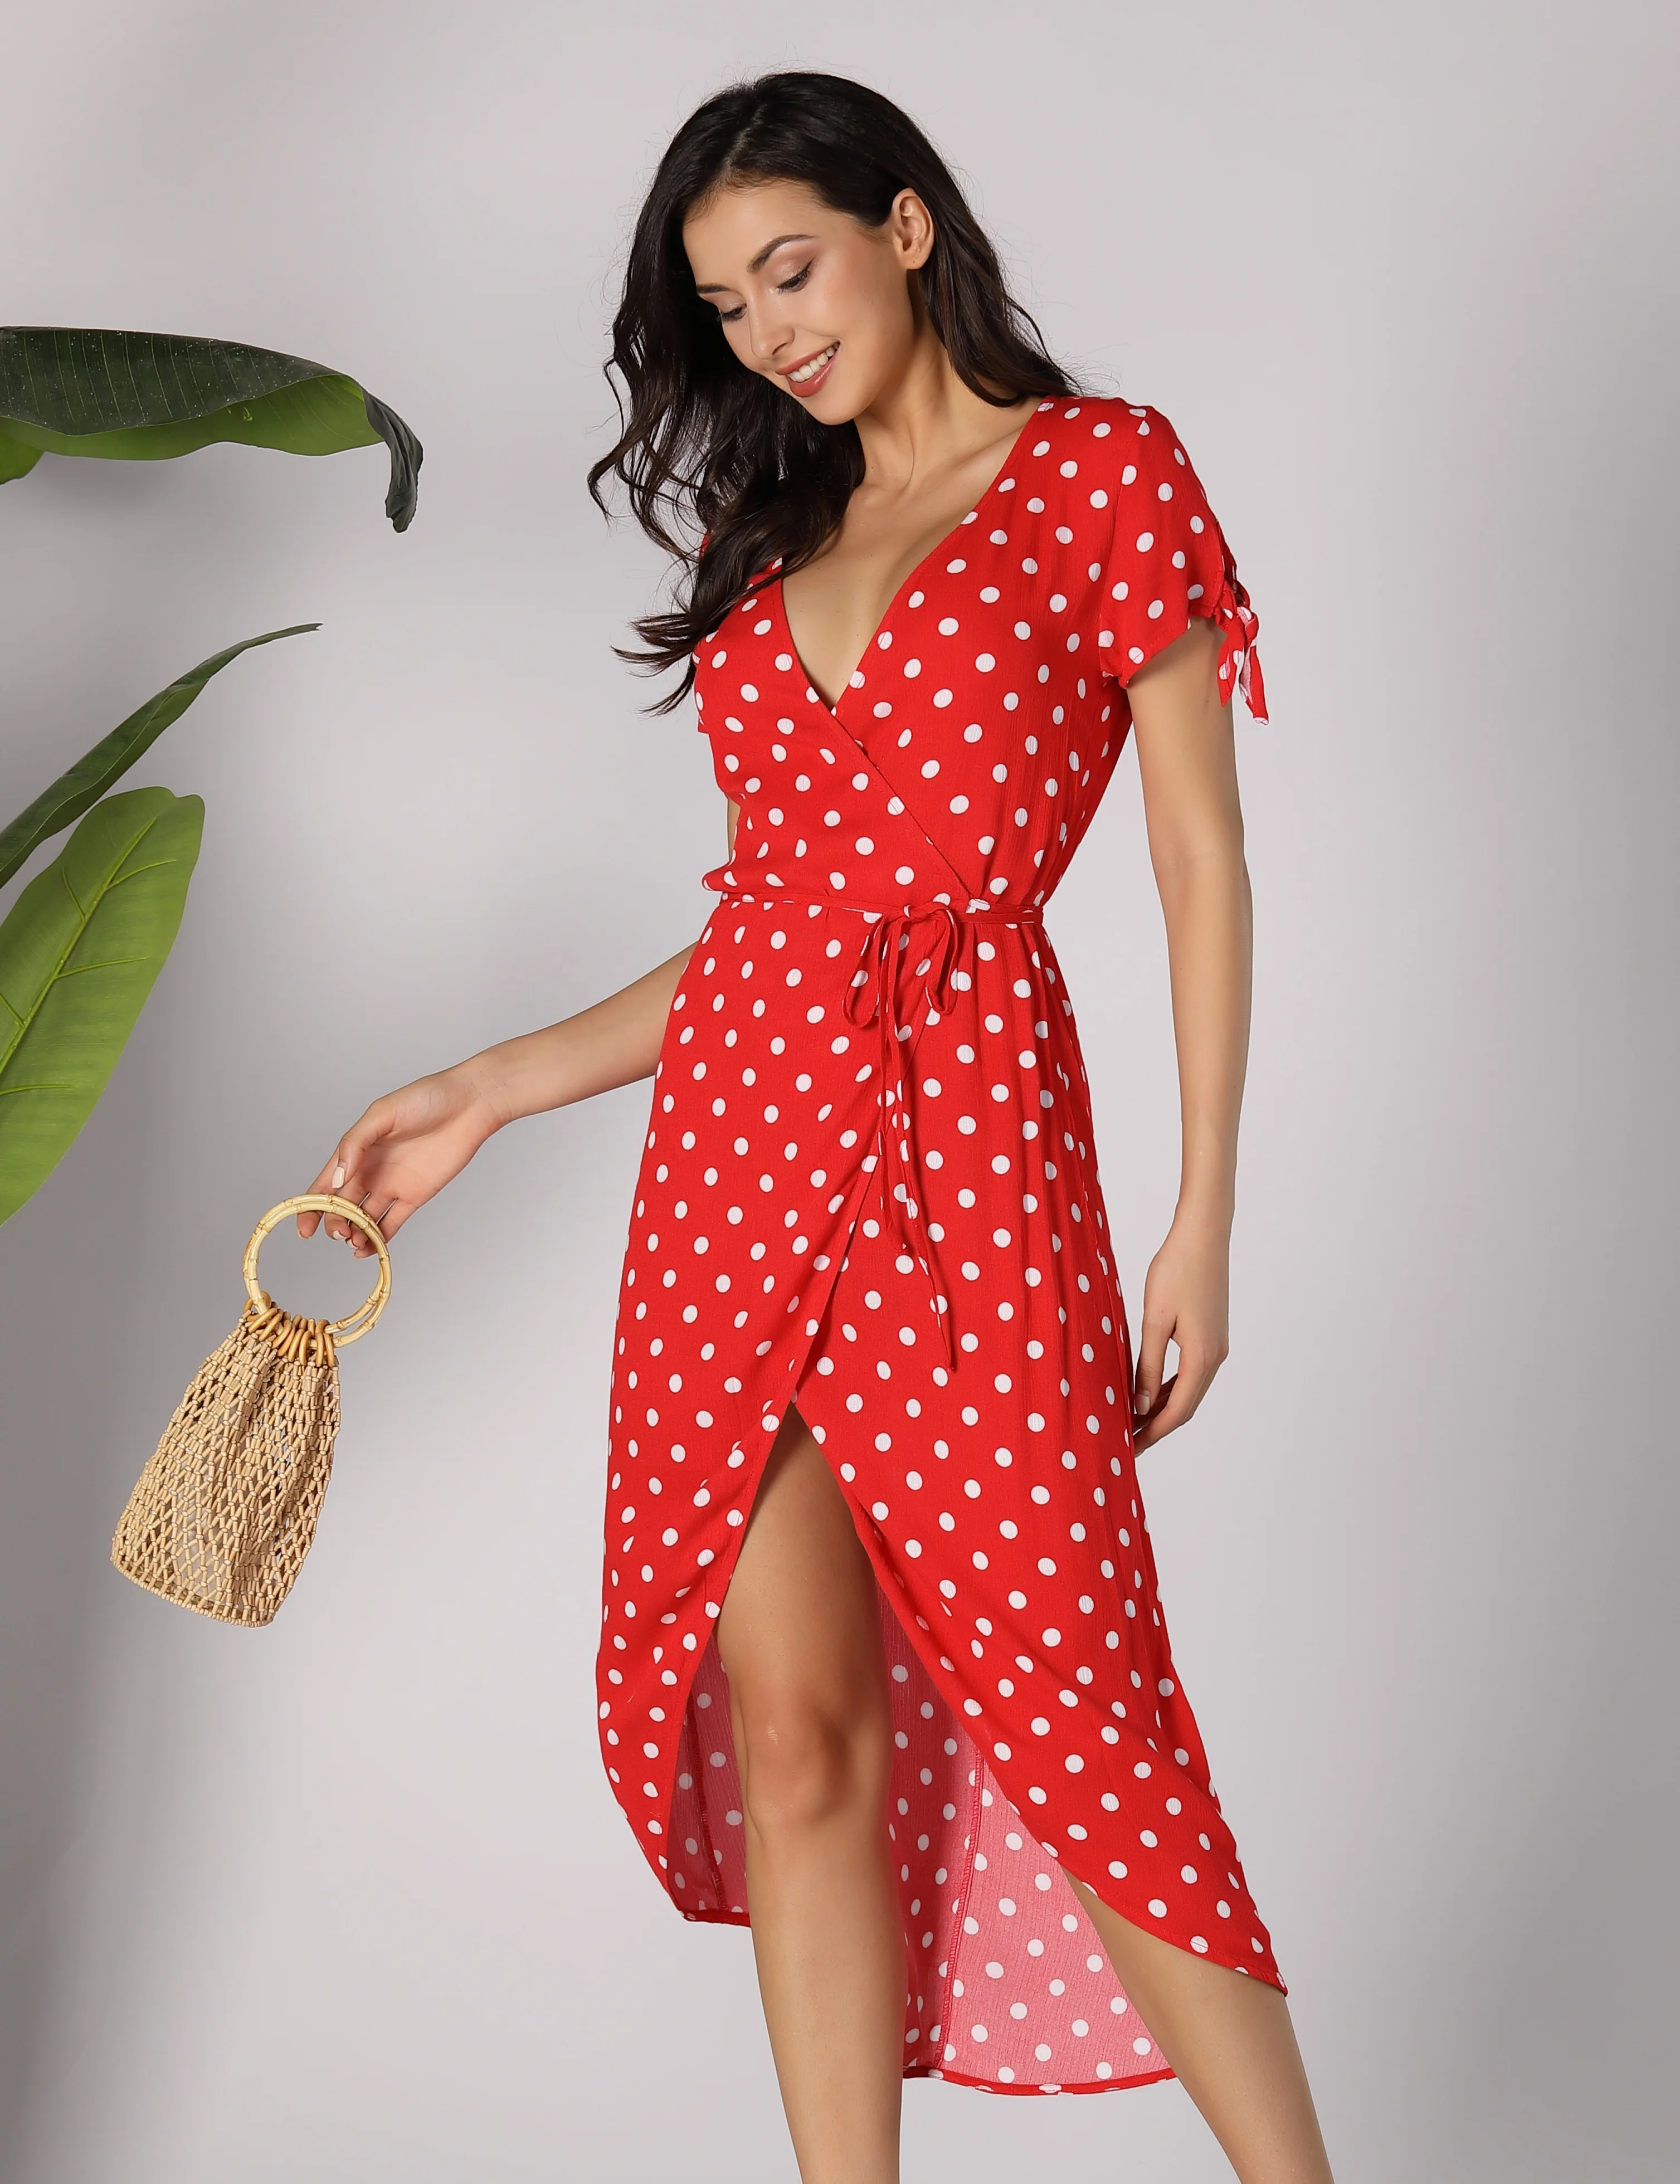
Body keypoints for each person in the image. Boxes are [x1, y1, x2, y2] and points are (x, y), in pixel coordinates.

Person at [301, 70, 1334, 2184]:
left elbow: (1197, 863)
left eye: (793, 269)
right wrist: (490, 1084)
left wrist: (1200, 1218)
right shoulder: (766, 537)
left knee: (1082, 1709)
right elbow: (775, 928)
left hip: (973, 1163)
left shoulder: (1099, 474)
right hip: (734, 1182)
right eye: (727, 305)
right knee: (792, 1739)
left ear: (906, 227)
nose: (771, 330)